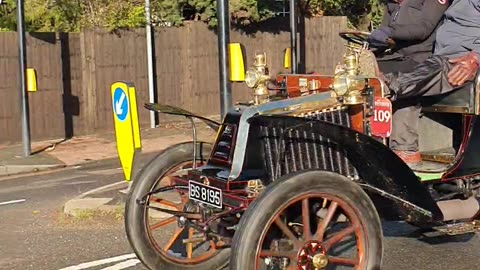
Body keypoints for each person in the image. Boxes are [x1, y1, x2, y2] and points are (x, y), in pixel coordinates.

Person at [381, 0, 480, 166]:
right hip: (440, 58)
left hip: (462, 60)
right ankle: (404, 153)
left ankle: (386, 87)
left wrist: (476, 57)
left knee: (418, 76)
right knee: (412, 85)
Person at [368, 0, 449, 74]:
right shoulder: (393, 3)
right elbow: (384, 30)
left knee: (372, 75)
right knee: (363, 66)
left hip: (419, 59)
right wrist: (375, 42)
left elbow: (423, 29)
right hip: (397, 56)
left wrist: (390, 32)